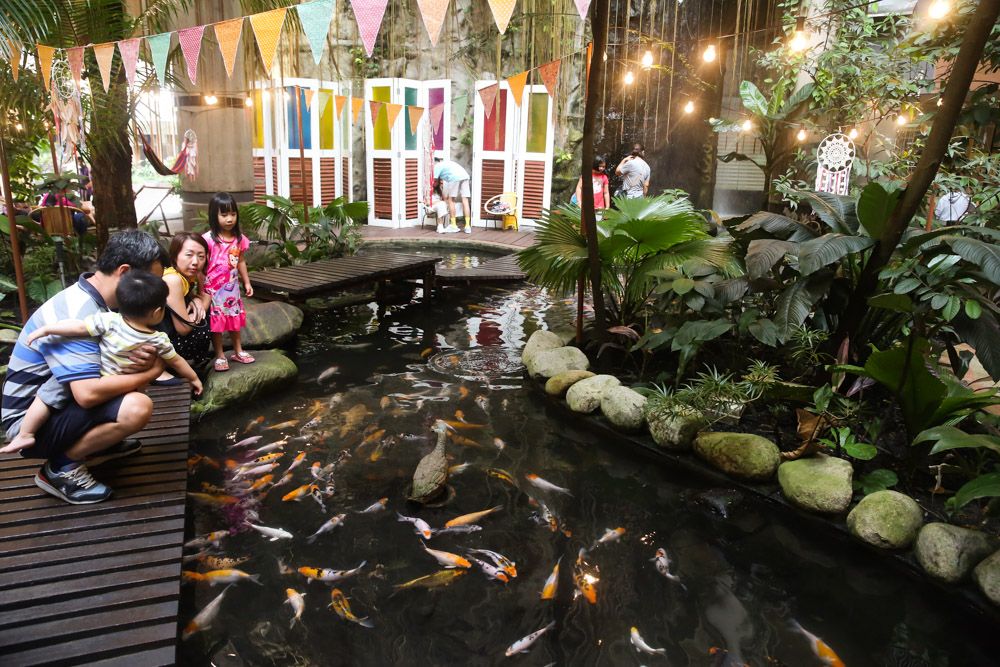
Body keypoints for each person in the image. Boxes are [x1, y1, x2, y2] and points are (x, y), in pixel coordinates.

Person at [0, 230, 165, 504]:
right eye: (150, 282)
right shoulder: (80, 312)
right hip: (29, 423)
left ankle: (100, 444)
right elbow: (87, 394)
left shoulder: (103, 305)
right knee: (137, 407)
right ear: (124, 273)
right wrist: (151, 372)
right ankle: (60, 468)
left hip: (56, 405)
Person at [7, 271, 203, 454]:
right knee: (136, 401)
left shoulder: (110, 320)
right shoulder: (158, 339)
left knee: (48, 395)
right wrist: (193, 378)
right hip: (105, 385)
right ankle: (63, 461)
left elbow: (78, 327)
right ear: (158, 312)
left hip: (98, 377)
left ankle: (27, 433)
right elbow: (176, 361)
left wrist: (48, 329)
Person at [203, 192, 254, 372]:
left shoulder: (239, 239)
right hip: (214, 290)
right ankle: (219, 354)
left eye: (233, 214)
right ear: (214, 215)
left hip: (232, 289)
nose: (229, 219)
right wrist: (202, 287)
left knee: (234, 320)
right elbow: (203, 264)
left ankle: (238, 350)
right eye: (224, 215)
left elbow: (240, 261)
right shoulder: (208, 239)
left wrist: (246, 282)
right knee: (217, 323)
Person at [156, 232, 213, 374]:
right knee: (206, 319)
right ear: (175, 256)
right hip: (161, 346)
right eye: (189, 255)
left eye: (201, 256)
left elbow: (187, 296)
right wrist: (205, 303)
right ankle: (192, 364)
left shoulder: (181, 276)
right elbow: (184, 328)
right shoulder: (172, 279)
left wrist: (196, 298)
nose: (195, 262)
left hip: (163, 339)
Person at [433, 157, 473, 234]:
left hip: (454, 177)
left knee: (451, 200)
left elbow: (434, 180)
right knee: (465, 200)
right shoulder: (447, 163)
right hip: (465, 176)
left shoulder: (437, 166)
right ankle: (467, 226)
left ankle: (453, 226)